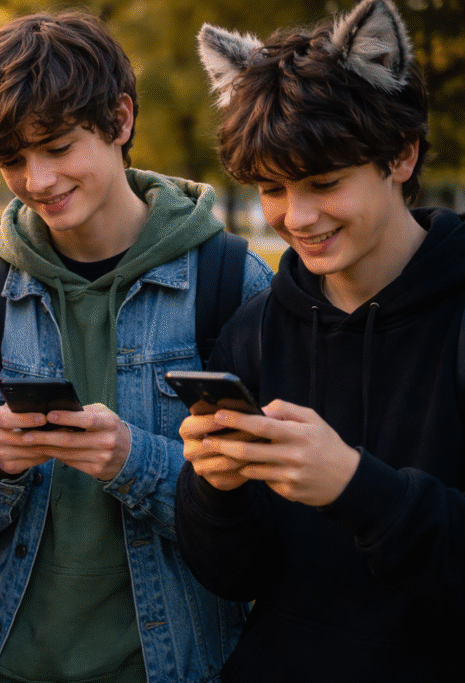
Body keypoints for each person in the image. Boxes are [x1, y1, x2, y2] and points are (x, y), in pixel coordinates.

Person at [0, 10, 273, 683]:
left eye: (58, 146)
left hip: (176, 667)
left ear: (120, 120)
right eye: (12, 158)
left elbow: (268, 516)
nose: (37, 179)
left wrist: (135, 460)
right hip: (9, 664)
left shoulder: (231, 282)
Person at [175, 1, 465, 680]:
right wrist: (215, 489)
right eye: (273, 188)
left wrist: (357, 486)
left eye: (324, 183)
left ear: (401, 153)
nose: (296, 218)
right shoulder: (253, 330)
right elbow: (231, 574)